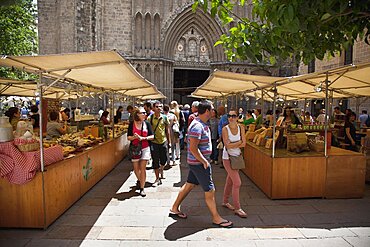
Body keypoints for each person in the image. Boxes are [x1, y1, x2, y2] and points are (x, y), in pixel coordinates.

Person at [170, 100, 233, 228]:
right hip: (199, 164)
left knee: (189, 185)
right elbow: (193, 147)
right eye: (212, 109)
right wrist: (204, 161)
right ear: (207, 111)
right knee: (210, 190)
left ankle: (174, 208)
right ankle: (216, 218)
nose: (213, 111)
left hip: (197, 163)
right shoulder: (197, 126)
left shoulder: (202, 124)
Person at [222, 109, 247, 218]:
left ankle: (225, 201)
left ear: (237, 117)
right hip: (227, 157)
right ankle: (238, 208)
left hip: (236, 157)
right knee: (237, 182)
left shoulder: (241, 127)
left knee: (230, 180)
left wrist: (233, 144)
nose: (231, 118)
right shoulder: (225, 129)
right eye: (229, 115)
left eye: (234, 115)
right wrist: (238, 143)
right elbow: (227, 146)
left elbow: (244, 144)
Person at [127, 107, 154, 197]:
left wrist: (143, 138)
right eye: (142, 113)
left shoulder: (147, 123)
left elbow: (152, 136)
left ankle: (142, 188)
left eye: (145, 113)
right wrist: (134, 137)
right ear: (137, 114)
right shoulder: (132, 124)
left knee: (143, 169)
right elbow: (128, 137)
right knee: (136, 169)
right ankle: (141, 180)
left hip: (145, 147)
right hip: (135, 148)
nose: (145, 114)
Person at [149, 101, 170, 185]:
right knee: (155, 160)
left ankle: (161, 169)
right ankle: (157, 178)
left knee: (164, 159)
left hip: (163, 141)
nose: (159, 108)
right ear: (153, 108)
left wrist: (169, 141)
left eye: (160, 106)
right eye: (157, 106)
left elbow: (167, 130)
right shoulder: (150, 118)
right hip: (154, 142)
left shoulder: (164, 118)